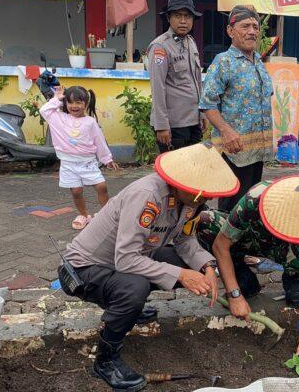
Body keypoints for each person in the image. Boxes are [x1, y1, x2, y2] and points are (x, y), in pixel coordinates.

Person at [61, 143, 238, 391]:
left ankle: (126, 309)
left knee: (180, 263)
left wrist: (207, 267)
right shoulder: (147, 196)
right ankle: (105, 360)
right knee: (135, 287)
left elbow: (185, 240)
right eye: (202, 195)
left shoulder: (190, 199)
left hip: (122, 262)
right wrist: (181, 275)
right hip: (85, 268)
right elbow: (126, 259)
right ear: (182, 184)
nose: (206, 200)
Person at [196, 175, 299, 359]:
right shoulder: (255, 199)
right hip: (254, 239)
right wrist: (235, 294)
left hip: (291, 253)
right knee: (206, 222)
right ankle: (243, 279)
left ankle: (293, 277)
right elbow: (220, 245)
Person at [199, 5, 273, 212]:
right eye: (245, 26)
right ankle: (220, 244)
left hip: (257, 150)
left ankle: (241, 243)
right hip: (234, 149)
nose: (252, 31)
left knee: (249, 204)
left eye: (255, 26)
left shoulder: (258, 60)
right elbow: (207, 103)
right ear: (230, 31)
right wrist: (226, 130)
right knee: (231, 205)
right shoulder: (223, 62)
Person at [39, 86, 119, 230]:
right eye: (70, 102)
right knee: (76, 191)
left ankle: (107, 216)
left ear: (86, 104)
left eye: (78, 102)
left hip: (88, 163)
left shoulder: (90, 122)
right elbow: (44, 110)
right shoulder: (58, 118)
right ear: (65, 103)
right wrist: (57, 98)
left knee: (102, 186)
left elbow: (99, 141)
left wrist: (107, 159)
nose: (74, 106)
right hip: (68, 164)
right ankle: (83, 215)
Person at [148, 0, 204, 153]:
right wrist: (161, 125)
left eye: (187, 16)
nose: (183, 21)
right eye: (178, 16)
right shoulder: (160, 47)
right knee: (174, 174)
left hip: (192, 121)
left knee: (192, 169)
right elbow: (157, 88)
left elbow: (197, 82)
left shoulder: (190, 42)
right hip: (173, 125)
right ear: (168, 17)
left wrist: (202, 115)